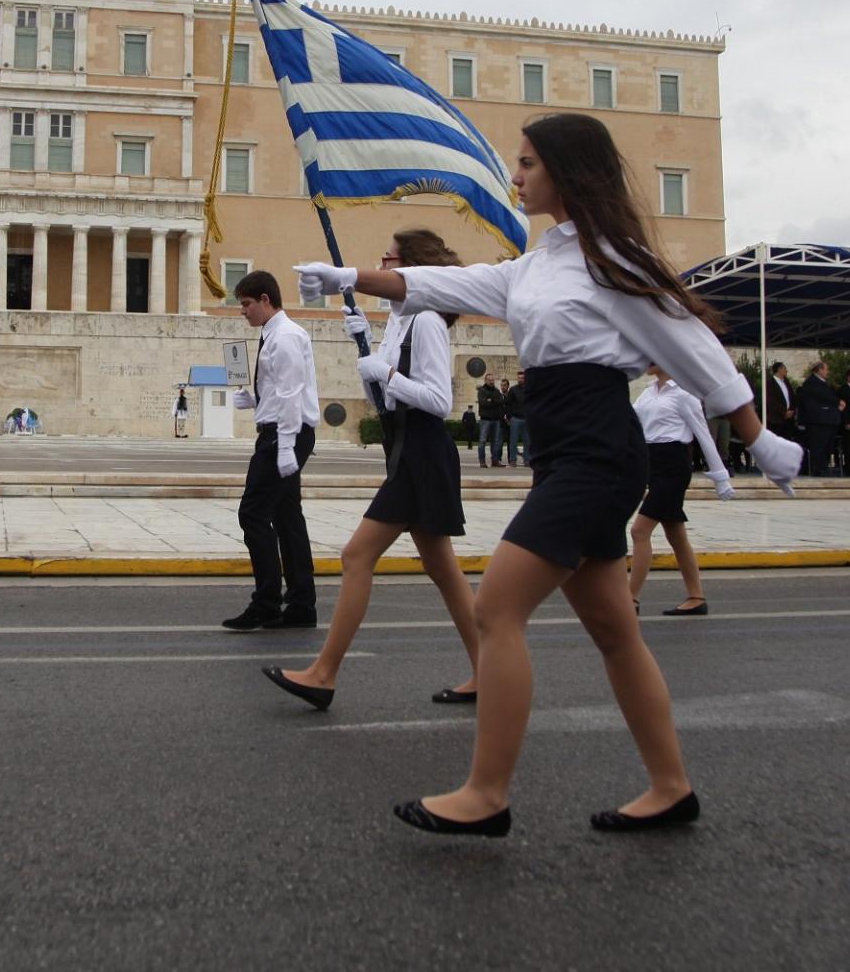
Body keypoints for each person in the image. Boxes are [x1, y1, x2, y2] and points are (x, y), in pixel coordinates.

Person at [296, 112, 803, 838]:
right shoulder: (536, 265)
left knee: (496, 609)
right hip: (562, 452)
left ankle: (487, 793)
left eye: (529, 162)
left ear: (566, 170)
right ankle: (670, 785)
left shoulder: (611, 261)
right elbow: (452, 282)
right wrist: (353, 277)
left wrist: (758, 437)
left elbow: (691, 344)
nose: (517, 175)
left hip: (598, 452)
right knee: (614, 630)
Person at [265, 229, 479, 712]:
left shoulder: (425, 321)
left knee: (356, 556)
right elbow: (385, 403)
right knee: (443, 570)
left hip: (422, 453)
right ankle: (490, 670)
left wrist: (386, 373)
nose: (380, 266)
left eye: (389, 259)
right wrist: (367, 351)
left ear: (412, 269)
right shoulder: (401, 321)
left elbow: (439, 400)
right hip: (404, 448)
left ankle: (324, 673)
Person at [222, 270, 319, 632]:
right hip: (280, 429)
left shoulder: (286, 337)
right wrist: (255, 401)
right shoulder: (274, 335)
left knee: (252, 514)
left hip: (284, 434)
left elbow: (293, 393)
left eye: (246, 304)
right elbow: (280, 390)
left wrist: (286, 445)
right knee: (287, 517)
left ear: (265, 300)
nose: (242, 311)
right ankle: (300, 604)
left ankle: (266, 602)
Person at [628, 366, 733, 616]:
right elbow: (631, 425)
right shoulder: (648, 392)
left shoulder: (685, 394)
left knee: (639, 531)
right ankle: (696, 597)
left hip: (673, 466)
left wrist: (721, 478)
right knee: (676, 536)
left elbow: (704, 436)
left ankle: (629, 600)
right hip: (652, 464)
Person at [796, 360, 841, 477]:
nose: (828, 372)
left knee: (827, 445)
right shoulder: (812, 382)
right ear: (819, 370)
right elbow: (824, 397)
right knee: (819, 445)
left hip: (827, 420)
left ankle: (823, 466)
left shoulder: (823, 383)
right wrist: (838, 402)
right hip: (818, 420)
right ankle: (817, 468)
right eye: (826, 369)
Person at [476, 372, 506, 468]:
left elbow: (501, 402)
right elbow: (483, 403)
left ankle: (495, 461)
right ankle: (482, 461)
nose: (491, 382)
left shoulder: (497, 391)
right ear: (485, 380)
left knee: (495, 442)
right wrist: (493, 401)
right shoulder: (482, 391)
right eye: (489, 380)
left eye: (492, 380)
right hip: (485, 420)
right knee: (482, 441)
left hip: (496, 420)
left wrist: (491, 400)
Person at [503, 370, 528, 467]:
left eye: (523, 378)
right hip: (515, 419)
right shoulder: (513, 390)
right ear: (517, 379)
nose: (521, 379)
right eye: (519, 378)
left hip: (526, 418)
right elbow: (508, 404)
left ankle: (527, 460)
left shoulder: (529, 389)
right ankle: (513, 460)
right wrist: (509, 417)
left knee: (527, 441)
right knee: (513, 441)